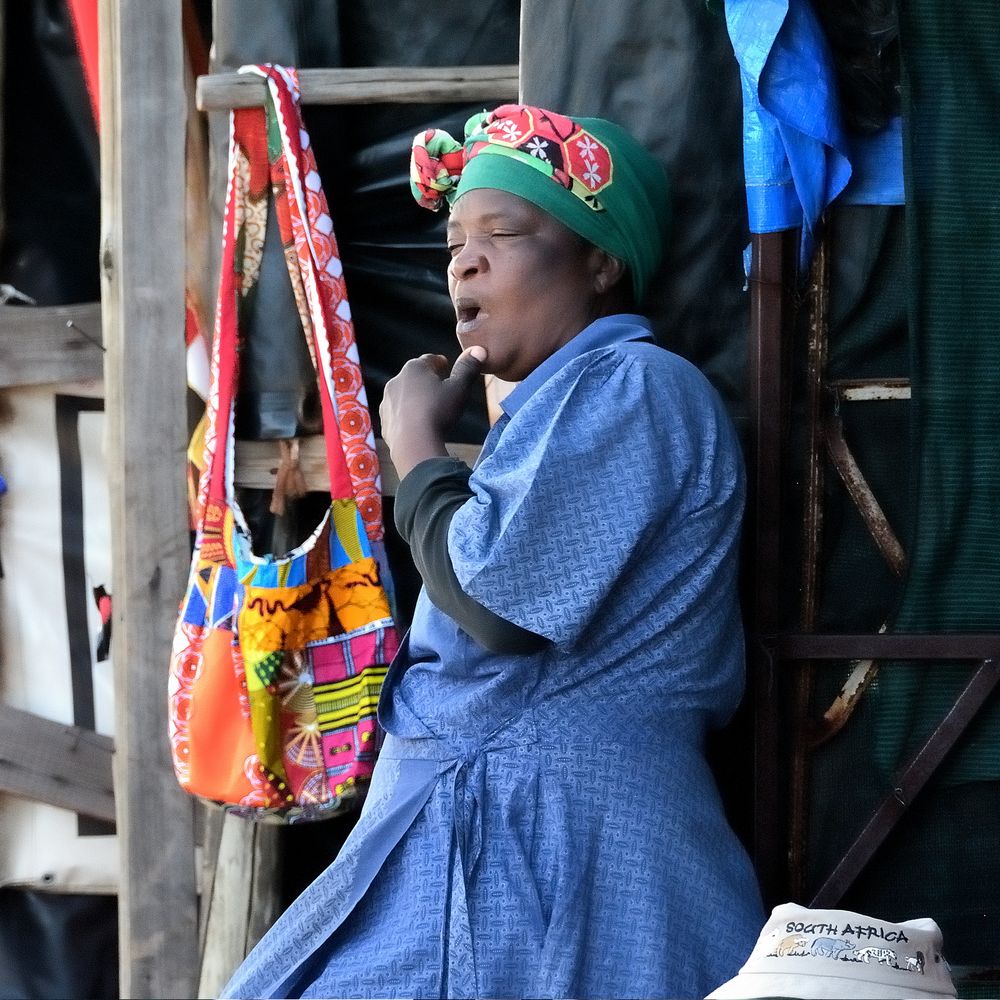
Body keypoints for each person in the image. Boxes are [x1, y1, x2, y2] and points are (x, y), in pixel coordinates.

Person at [222, 103, 764, 1000]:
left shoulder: (636, 386)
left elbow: (499, 609)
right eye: (453, 244)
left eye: (502, 234)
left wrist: (421, 454)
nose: (464, 260)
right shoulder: (555, 411)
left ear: (601, 261)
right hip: (494, 829)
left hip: (566, 841)